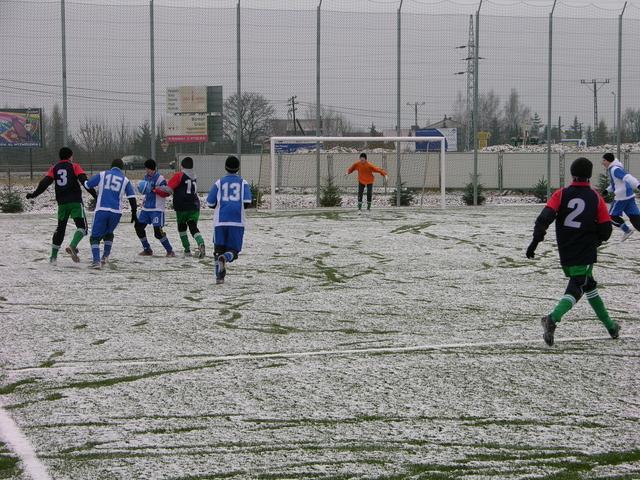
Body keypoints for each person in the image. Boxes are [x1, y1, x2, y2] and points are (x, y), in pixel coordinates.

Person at [526, 157, 619, 346]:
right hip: (584, 250)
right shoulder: (595, 197)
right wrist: (596, 240)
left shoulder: (561, 194)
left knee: (588, 285)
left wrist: (534, 242)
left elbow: (544, 218)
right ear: (590, 175)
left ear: (572, 173)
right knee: (579, 285)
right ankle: (552, 318)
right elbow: (606, 229)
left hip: (565, 250)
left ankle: (611, 327)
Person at [25, 147, 97, 265]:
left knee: (60, 229)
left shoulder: (54, 168)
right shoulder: (74, 166)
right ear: (70, 156)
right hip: (75, 202)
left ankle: (53, 258)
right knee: (82, 227)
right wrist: (95, 196)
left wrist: (34, 194)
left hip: (62, 203)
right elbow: (84, 181)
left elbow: (44, 183)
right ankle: (73, 246)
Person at [206, 155, 252, 284]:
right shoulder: (243, 183)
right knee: (234, 251)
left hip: (220, 221)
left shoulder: (219, 182)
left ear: (225, 167)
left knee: (218, 250)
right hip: (237, 222)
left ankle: (219, 277)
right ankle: (226, 257)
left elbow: (210, 203)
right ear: (238, 168)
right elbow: (247, 202)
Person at [84, 158, 137, 269]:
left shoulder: (103, 174)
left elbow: (88, 185)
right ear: (121, 168)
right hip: (116, 212)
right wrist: (134, 213)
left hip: (102, 209)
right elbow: (132, 197)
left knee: (94, 238)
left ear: (111, 166)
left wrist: (83, 180)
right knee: (109, 233)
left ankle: (96, 261)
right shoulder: (125, 180)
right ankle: (105, 257)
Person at [161, 156, 206, 257]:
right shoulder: (194, 175)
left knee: (182, 228)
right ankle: (201, 242)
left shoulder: (179, 175)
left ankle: (187, 250)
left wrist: (156, 188)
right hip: (194, 206)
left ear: (182, 166)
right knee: (193, 226)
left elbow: (168, 189)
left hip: (182, 206)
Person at [134, 159, 175, 257]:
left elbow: (167, 192)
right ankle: (147, 249)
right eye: (146, 169)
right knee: (138, 227)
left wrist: (154, 189)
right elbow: (145, 189)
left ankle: (170, 251)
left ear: (153, 169)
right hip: (146, 208)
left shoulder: (160, 179)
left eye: (149, 169)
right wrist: (142, 190)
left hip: (157, 209)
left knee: (157, 232)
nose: (147, 171)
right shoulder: (145, 177)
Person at [601, 152, 640, 241]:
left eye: (604, 160)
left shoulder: (614, 169)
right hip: (629, 196)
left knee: (610, 217)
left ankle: (627, 230)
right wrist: (607, 190)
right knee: (636, 219)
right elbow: (617, 183)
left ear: (609, 161)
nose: (602, 163)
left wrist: (638, 185)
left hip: (621, 197)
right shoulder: (616, 168)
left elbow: (628, 177)